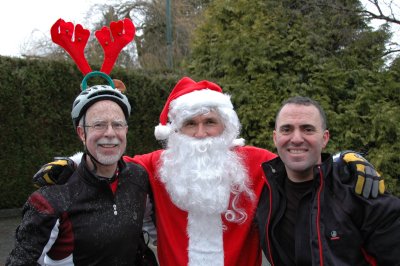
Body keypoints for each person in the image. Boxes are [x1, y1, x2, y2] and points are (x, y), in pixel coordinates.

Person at [33, 77, 385, 266]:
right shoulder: (157, 165)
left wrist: (345, 159)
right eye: (190, 124)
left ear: (226, 126)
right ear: (175, 131)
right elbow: (109, 162)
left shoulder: (254, 162)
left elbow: (300, 159)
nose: (201, 134)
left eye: (210, 122)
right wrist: (72, 163)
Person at [5, 76, 155, 265]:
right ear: (81, 133)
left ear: (125, 130)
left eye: (117, 124)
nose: (110, 133)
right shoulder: (52, 199)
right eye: (99, 124)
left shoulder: (137, 177)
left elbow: (151, 228)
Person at [256, 96, 400, 265]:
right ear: (275, 138)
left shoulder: (359, 190)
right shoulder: (263, 190)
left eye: (307, 129)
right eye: (286, 129)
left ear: (324, 138)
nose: (296, 138)